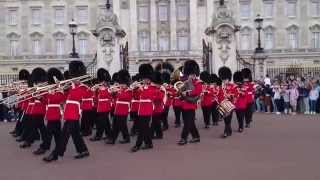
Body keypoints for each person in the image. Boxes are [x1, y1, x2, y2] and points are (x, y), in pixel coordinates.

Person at [44, 61, 90, 162]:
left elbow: (77, 96)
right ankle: (83, 150)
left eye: (76, 77)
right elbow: (63, 98)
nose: (75, 79)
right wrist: (60, 88)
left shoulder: (83, 87)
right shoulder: (69, 87)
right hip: (69, 112)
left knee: (64, 135)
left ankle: (56, 154)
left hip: (74, 113)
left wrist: (71, 86)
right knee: (75, 134)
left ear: (80, 77)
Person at [131, 64, 157, 152]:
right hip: (141, 109)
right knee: (145, 128)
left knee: (142, 128)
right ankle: (149, 143)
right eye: (144, 78)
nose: (144, 80)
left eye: (146, 79)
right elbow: (136, 97)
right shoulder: (141, 87)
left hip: (148, 109)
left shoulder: (153, 87)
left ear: (150, 79)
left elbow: (149, 96)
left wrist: (142, 89)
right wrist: (134, 89)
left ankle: (137, 145)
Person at [177, 60, 202, 145]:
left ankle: (183, 138)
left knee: (187, 123)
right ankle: (196, 137)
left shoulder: (198, 83)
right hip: (184, 104)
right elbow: (180, 91)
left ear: (195, 74)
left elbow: (197, 91)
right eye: (189, 74)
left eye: (192, 74)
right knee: (190, 122)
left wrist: (187, 92)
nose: (190, 76)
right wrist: (180, 92)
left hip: (191, 105)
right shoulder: (186, 82)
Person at [106, 69, 132, 144]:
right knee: (115, 125)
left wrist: (117, 91)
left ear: (126, 84)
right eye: (121, 83)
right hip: (117, 110)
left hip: (124, 110)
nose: (121, 85)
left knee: (122, 125)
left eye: (123, 84)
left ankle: (126, 138)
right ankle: (113, 139)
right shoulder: (119, 90)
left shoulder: (129, 91)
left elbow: (124, 97)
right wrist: (112, 93)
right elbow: (113, 97)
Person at [90, 68, 112, 142]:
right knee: (106, 122)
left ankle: (98, 135)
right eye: (102, 81)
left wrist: (101, 89)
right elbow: (96, 98)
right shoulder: (99, 88)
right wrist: (94, 91)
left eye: (104, 81)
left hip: (106, 107)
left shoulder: (109, 88)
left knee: (101, 122)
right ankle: (109, 135)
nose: (102, 83)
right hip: (100, 107)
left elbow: (108, 96)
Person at [217, 66, 238, 138]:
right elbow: (219, 96)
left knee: (228, 118)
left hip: (230, 104)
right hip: (223, 105)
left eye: (225, 79)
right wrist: (220, 103)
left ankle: (225, 132)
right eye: (223, 79)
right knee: (226, 119)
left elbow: (236, 95)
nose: (223, 81)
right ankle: (229, 130)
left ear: (228, 79)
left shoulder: (233, 86)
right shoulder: (221, 87)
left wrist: (230, 96)